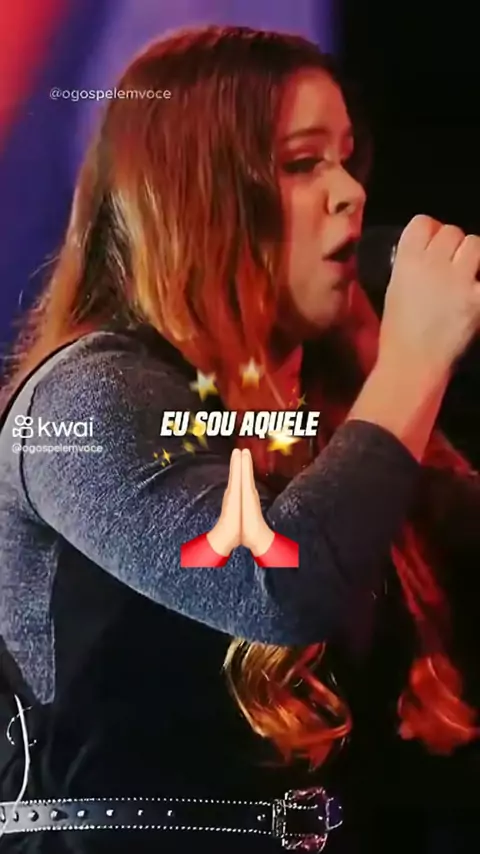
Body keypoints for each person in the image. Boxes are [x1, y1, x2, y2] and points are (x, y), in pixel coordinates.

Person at [0, 23, 480, 854]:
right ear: (196, 193)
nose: (351, 193)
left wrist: (394, 382)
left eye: (346, 159)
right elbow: (276, 584)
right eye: (302, 164)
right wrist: (413, 364)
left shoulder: (335, 407)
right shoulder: (83, 401)